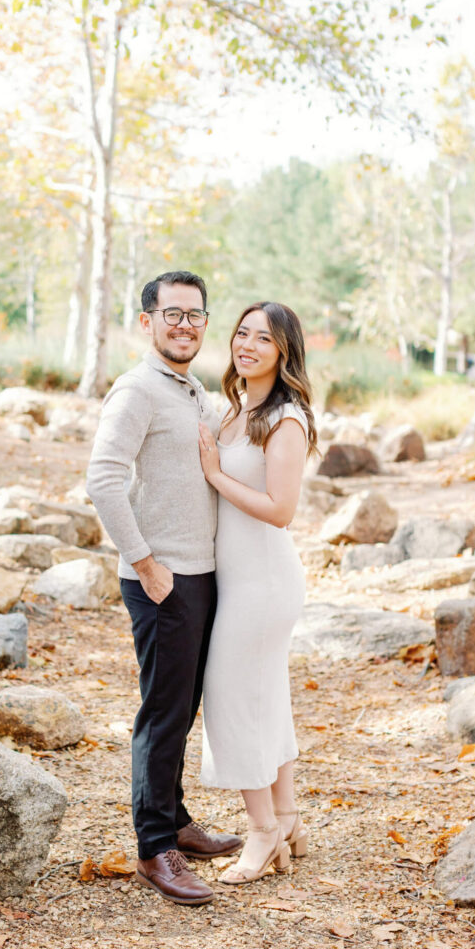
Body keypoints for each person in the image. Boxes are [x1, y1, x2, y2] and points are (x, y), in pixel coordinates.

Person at [86, 270, 243, 906]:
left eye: (195, 315)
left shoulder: (191, 388)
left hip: (200, 575)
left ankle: (175, 818)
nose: (185, 325)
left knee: (183, 709)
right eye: (172, 314)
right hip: (163, 579)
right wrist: (144, 562)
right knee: (162, 711)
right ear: (146, 322)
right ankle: (155, 848)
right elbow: (102, 478)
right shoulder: (136, 391)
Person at [197, 300, 318, 884]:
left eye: (262, 339)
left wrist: (217, 475)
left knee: (230, 698)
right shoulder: (238, 408)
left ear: (283, 351)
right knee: (267, 697)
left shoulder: (285, 418)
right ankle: (287, 817)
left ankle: (262, 828)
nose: (246, 344)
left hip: (265, 582)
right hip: (237, 578)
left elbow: (281, 510)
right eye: (241, 333)